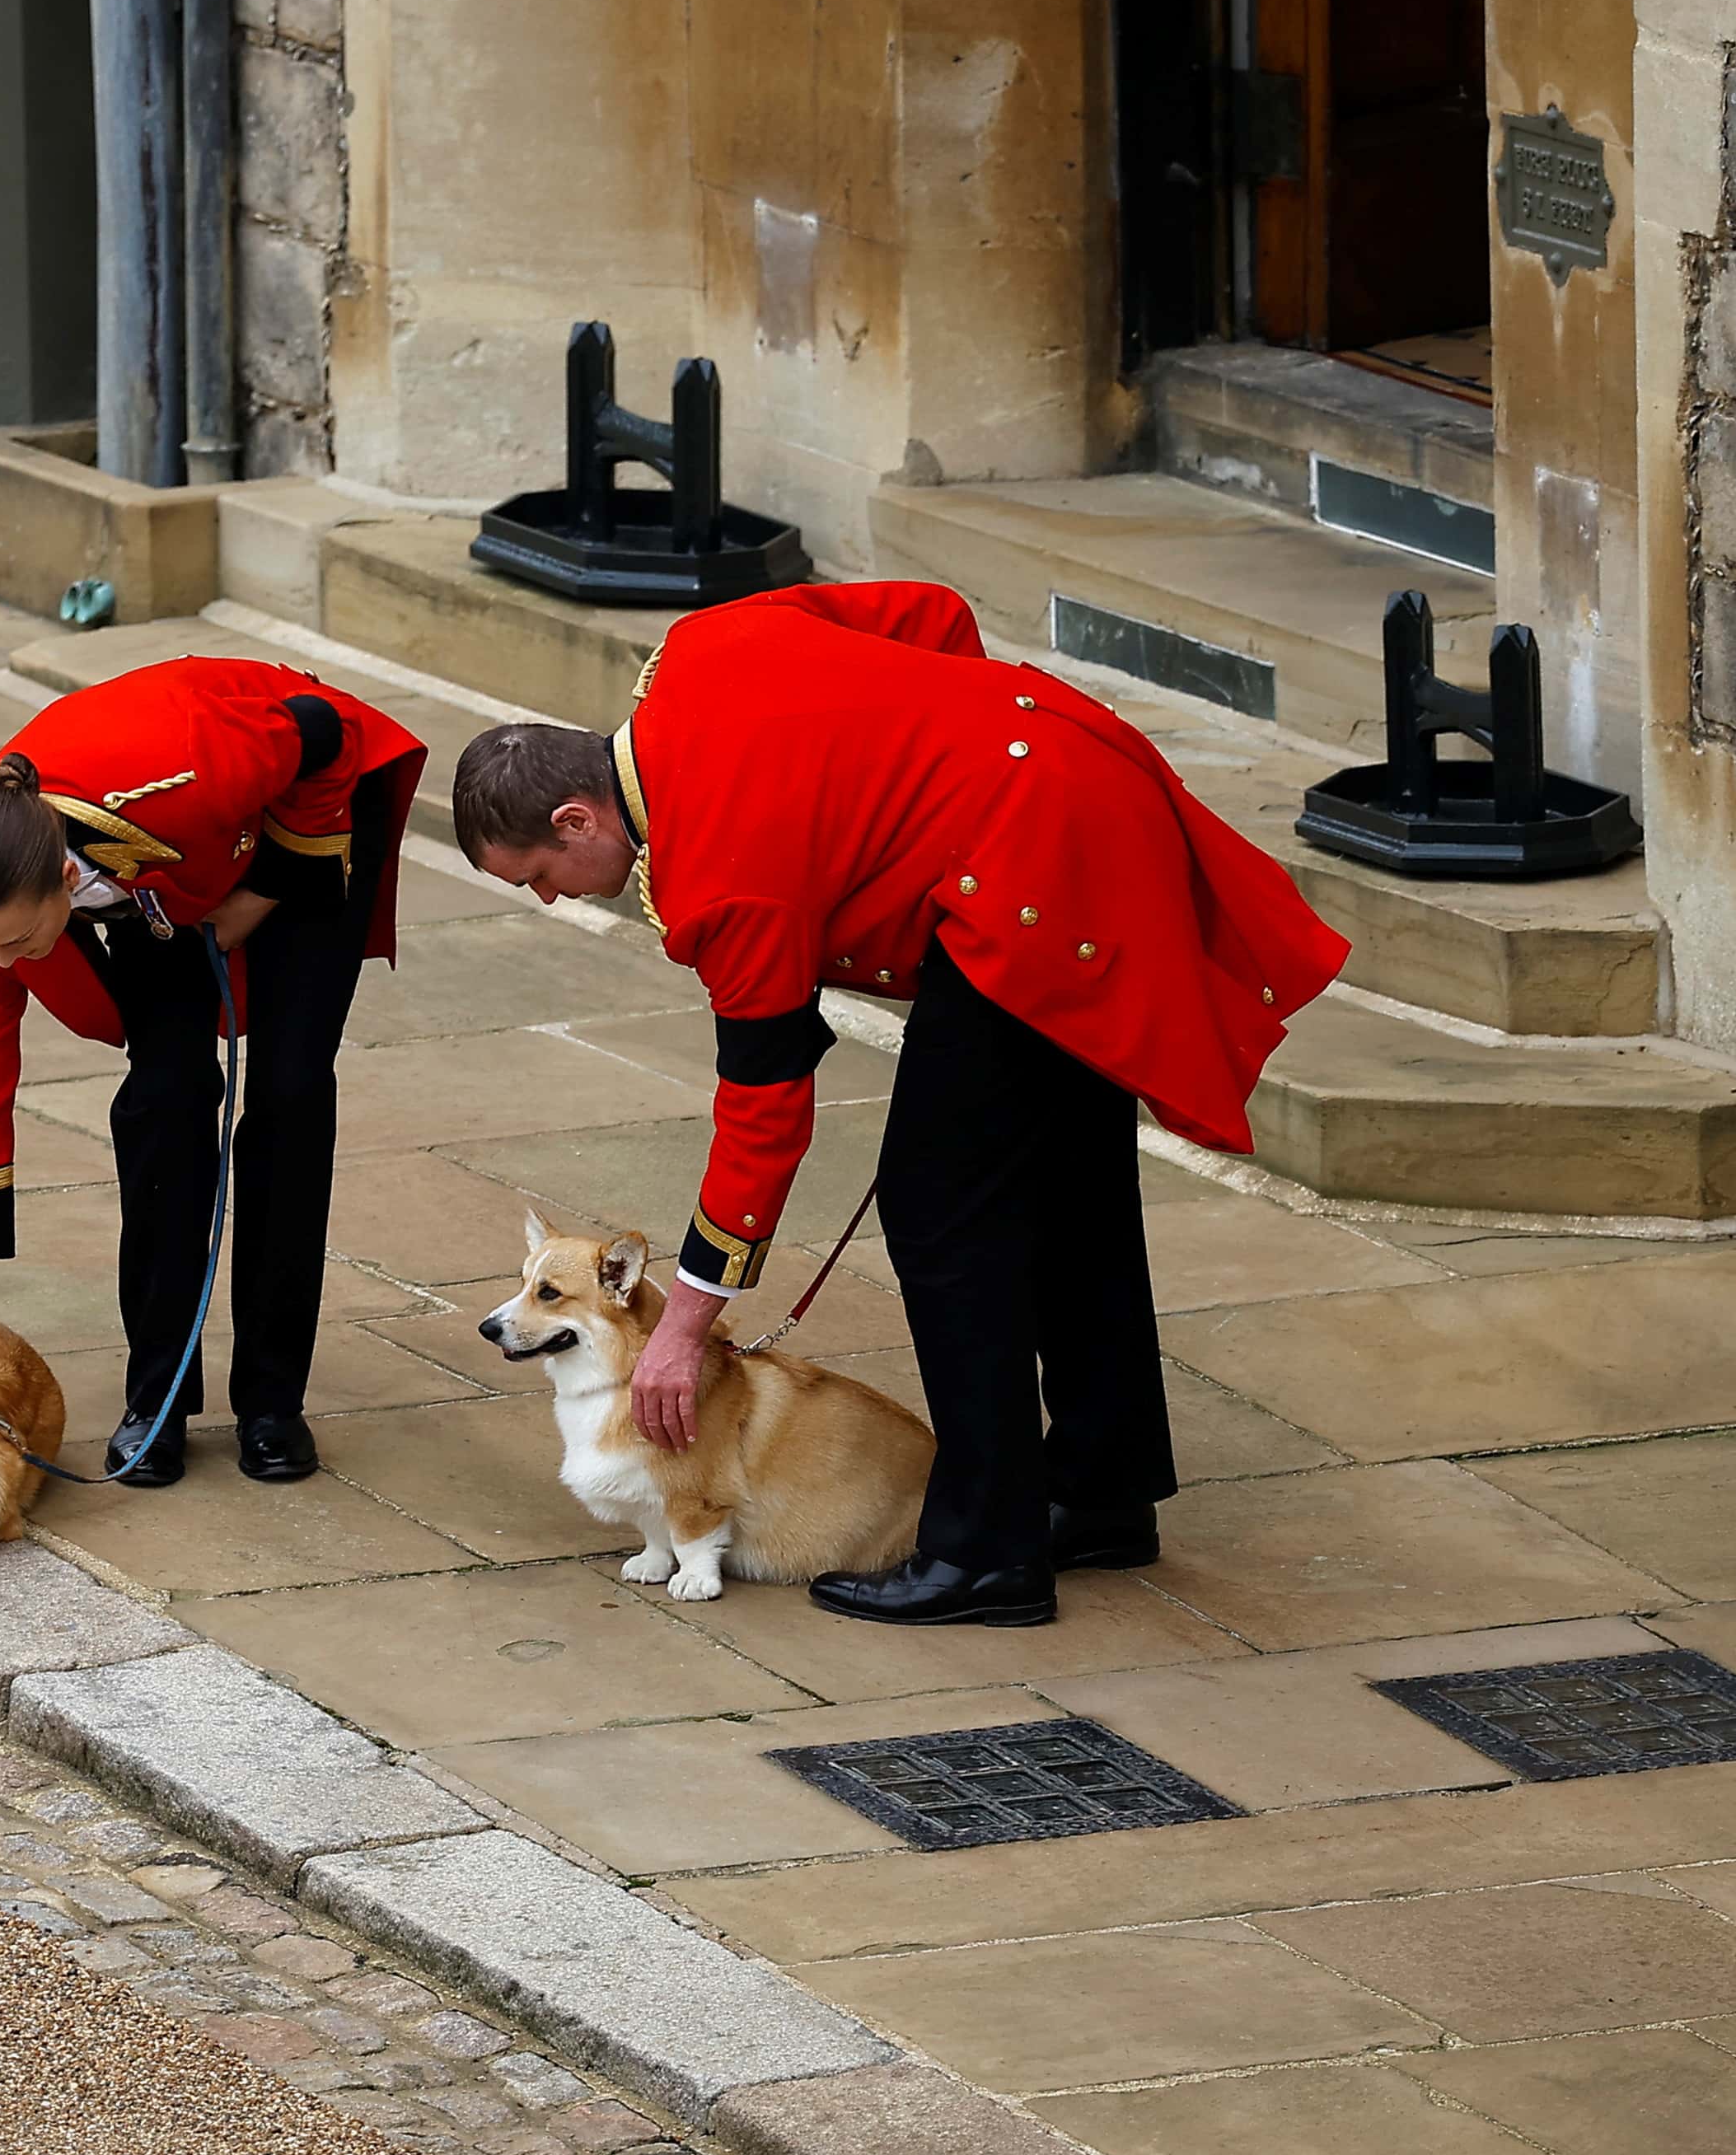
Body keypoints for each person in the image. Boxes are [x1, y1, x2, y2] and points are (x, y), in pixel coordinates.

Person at [451, 582, 1347, 1626]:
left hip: (1028, 879)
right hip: (1072, 775)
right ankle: (1101, 1490)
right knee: (1069, 1180)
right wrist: (947, 756)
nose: (555, 897)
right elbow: (929, 615)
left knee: (942, 1216)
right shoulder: (698, 648)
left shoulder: (719, 880)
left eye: (544, 875)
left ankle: (987, 1552)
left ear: (576, 815)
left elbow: (764, 1112)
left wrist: (683, 1325)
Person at [0, 655, 429, 1487]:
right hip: (163, 886)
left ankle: (271, 1402)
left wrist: (259, 895)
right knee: (164, 1099)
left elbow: (325, 735)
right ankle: (158, 1399)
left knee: (289, 1091)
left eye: (14, 937)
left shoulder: (183, 770)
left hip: (298, 814)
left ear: (65, 880)